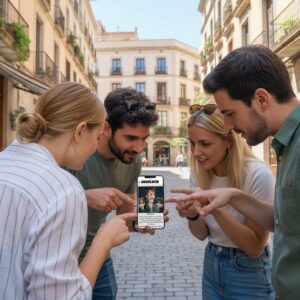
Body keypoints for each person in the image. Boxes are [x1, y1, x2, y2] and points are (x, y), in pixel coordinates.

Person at [167, 45, 300, 299]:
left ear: (261, 99)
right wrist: (230, 198)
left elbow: (255, 243)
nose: (227, 125)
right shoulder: (287, 144)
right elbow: (285, 219)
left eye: (229, 113)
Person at [0, 82, 136, 299]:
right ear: (80, 131)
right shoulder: (64, 189)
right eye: (97, 136)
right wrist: (103, 241)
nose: (95, 147)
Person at [70, 87, 168, 300]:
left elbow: (125, 214)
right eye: (131, 138)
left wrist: (141, 222)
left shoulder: (131, 162)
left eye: (144, 139)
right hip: (62, 257)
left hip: (99, 256)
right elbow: (43, 196)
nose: (139, 148)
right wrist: (86, 196)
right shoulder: (77, 151)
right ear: (106, 128)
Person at [170, 102, 275, 299]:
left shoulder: (257, 174)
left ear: (228, 141)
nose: (196, 152)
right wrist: (193, 215)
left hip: (248, 271)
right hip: (211, 262)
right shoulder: (199, 172)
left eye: (205, 144)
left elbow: (253, 247)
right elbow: (202, 234)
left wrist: (214, 207)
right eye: (192, 143)